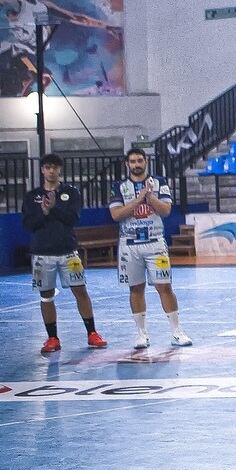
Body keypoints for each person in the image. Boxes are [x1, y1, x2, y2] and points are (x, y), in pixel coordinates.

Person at [24, 153, 106, 353]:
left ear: (60, 169)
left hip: (68, 251)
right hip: (42, 253)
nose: (51, 171)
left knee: (81, 291)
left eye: (55, 167)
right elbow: (28, 224)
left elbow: (72, 218)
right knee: (46, 296)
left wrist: (53, 208)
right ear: (42, 170)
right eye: (47, 167)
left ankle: (92, 333)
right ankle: (52, 338)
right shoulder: (32, 196)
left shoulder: (71, 193)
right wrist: (43, 212)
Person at [109, 148, 190, 349]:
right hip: (129, 244)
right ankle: (141, 334)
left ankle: (176, 331)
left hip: (155, 242)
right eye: (133, 161)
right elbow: (116, 215)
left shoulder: (159, 182)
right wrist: (139, 198)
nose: (136, 164)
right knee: (136, 288)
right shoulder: (119, 186)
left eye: (140, 160)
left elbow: (166, 211)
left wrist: (150, 197)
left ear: (146, 162)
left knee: (165, 286)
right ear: (127, 164)